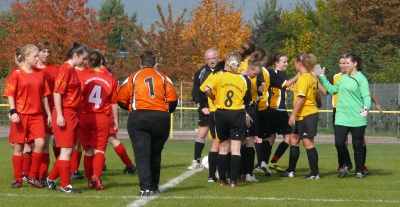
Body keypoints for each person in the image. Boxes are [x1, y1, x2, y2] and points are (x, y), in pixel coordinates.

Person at [117, 50, 178, 196]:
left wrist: (131, 108)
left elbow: (120, 100)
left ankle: (145, 188)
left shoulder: (133, 76)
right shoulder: (163, 77)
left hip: (139, 117)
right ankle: (154, 186)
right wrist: (163, 112)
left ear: (140, 62)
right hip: (161, 118)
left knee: (142, 154)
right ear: (154, 62)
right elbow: (173, 100)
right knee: (155, 154)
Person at [318, 55, 382, 174]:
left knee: (357, 145)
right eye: (343, 63)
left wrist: (366, 107)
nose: (344, 65)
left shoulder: (361, 78)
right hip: (341, 116)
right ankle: (347, 163)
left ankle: (359, 170)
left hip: (357, 117)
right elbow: (332, 90)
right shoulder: (342, 78)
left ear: (355, 63)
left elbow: (366, 96)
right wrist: (322, 77)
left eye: (347, 63)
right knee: (339, 143)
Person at [3, 44, 52, 188]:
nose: (38, 58)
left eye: (38, 56)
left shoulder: (40, 74)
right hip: (21, 116)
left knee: (40, 144)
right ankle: (18, 179)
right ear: (26, 57)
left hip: (37, 115)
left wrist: (48, 114)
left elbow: (44, 96)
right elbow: (10, 94)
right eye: (35, 56)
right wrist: (13, 112)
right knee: (18, 147)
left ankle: (32, 176)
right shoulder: (16, 73)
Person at [47, 42, 88, 193]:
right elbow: (57, 93)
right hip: (66, 112)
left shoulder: (71, 70)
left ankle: (51, 178)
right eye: (83, 58)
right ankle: (65, 185)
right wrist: (60, 114)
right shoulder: (65, 69)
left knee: (69, 150)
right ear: (75, 55)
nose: (85, 62)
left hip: (73, 113)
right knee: (66, 151)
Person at [204, 51, 250, 187]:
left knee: (223, 149)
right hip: (237, 113)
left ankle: (222, 180)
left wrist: (214, 98)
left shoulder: (220, 76)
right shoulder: (243, 79)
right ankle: (233, 181)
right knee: (236, 149)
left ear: (228, 64)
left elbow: (207, 89)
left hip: (221, 113)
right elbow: (247, 100)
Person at [79, 50, 119, 190]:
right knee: (100, 149)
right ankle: (96, 176)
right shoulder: (110, 78)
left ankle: (90, 180)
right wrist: (115, 119)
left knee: (88, 150)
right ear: (101, 62)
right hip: (101, 116)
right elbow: (114, 101)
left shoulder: (83, 75)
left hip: (84, 115)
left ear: (88, 62)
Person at [95, 49, 136, 174]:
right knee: (106, 139)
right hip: (107, 111)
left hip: (102, 111)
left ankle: (128, 165)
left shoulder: (94, 74)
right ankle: (103, 164)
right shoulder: (109, 75)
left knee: (109, 139)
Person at [279, 53, 320, 179]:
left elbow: (301, 99)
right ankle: (291, 171)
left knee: (308, 143)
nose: (294, 65)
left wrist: (292, 115)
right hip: (303, 115)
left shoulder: (303, 78)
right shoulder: (311, 77)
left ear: (299, 63)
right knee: (293, 140)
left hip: (307, 114)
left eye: (295, 63)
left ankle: (315, 173)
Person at [260, 53, 300, 176]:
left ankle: (264, 162)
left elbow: (290, 87)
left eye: (287, 61)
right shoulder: (275, 74)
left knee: (270, 138)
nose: (286, 64)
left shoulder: (280, 75)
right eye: (284, 62)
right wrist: (300, 74)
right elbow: (286, 84)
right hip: (278, 110)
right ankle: (272, 161)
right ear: (276, 63)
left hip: (273, 110)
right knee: (289, 138)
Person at [236, 42, 265, 182]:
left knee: (246, 141)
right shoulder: (241, 74)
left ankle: (244, 173)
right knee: (245, 142)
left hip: (251, 107)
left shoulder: (241, 69)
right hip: (244, 107)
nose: (255, 76)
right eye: (255, 74)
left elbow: (261, 89)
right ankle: (245, 173)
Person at [188, 48, 218, 170]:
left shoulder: (223, 71)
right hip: (206, 108)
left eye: (213, 58)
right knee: (201, 134)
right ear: (206, 59)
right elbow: (195, 92)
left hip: (219, 109)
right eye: (209, 58)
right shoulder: (201, 72)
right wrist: (201, 107)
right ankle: (196, 160)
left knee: (218, 137)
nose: (211, 61)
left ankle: (217, 161)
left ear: (217, 57)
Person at [34, 40, 59, 186]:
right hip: (31, 111)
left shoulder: (54, 69)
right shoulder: (31, 68)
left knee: (45, 143)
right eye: (44, 51)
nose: (46, 54)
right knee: (26, 146)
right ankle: (29, 175)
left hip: (49, 111)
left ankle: (42, 176)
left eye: (48, 52)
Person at [199, 60, 225, 182]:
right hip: (221, 112)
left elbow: (202, 88)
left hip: (214, 113)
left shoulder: (212, 75)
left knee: (216, 145)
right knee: (224, 146)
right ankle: (221, 174)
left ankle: (212, 175)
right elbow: (205, 89)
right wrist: (213, 98)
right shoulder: (223, 76)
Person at [252, 48, 271, 172]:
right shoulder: (266, 71)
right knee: (264, 137)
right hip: (264, 106)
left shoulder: (257, 71)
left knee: (256, 137)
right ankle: (263, 162)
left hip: (257, 106)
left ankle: (260, 162)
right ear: (263, 59)